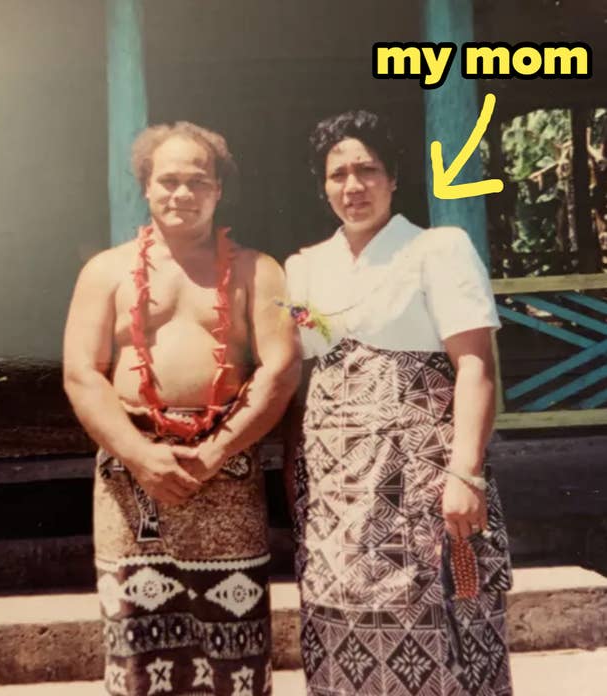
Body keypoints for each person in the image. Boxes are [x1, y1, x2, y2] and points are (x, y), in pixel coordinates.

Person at [64, 121, 301, 696]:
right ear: (146, 187)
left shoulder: (257, 270)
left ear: (219, 190)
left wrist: (219, 449)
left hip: (228, 466)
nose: (182, 194)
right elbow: (81, 373)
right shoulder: (106, 272)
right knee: (138, 641)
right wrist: (141, 455)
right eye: (168, 180)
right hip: (129, 477)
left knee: (234, 643)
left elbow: (281, 369)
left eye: (198, 181)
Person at [283, 110, 513, 695]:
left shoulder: (437, 249)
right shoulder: (306, 267)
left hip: (421, 480)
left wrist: (467, 472)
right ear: (322, 185)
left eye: (368, 170)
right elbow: (305, 363)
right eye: (338, 174)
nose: (353, 186)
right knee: (340, 632)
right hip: (336, 494)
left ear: (393, 179)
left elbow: (475, 365)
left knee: (440, 620)